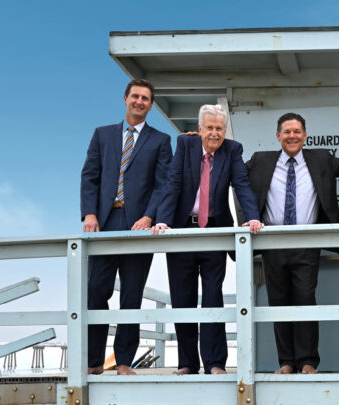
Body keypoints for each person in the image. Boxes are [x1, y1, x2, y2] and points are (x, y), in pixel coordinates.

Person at [149, 104, 264, 375]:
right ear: (199, 128)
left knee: (213, 297)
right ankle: (188, 363)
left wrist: (253, 216)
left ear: (225, 130)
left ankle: (215, 363)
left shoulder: (232, 150)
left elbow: (242, 185)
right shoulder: (185, 145)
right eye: (209, 128)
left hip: (215, 232)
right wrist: (162, 219)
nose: (214, 133)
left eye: (219, 128)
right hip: (182, 232)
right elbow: (172, 183)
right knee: (182, 297)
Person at [78, 79, 173, 376]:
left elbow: (164, 185)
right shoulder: (102, 135)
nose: (140, 102)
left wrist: (148, 217)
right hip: (104, 223)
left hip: (138, 226)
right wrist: (90, 213)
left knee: (131, 295)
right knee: (95, 291)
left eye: (145, 98)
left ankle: (123, 362)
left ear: (150, 104)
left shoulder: (160, 141)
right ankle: (93, 361)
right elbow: (90, 176)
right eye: (135, 96)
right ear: (125, 99)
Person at [243, 113, 339, 374]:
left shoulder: (321, 159)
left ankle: (308, 361)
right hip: (272, 242)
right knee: (278, 302)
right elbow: (230, 171)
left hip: (306, 242)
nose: (292, 136)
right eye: (287, 131)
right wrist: (195, 143)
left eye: (297, 131)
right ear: (278, 136)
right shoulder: (260, 161)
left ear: (305, 135)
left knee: (304, 299)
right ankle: (287, 362)